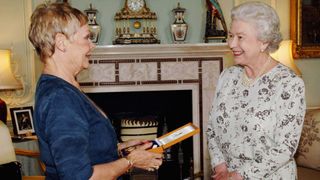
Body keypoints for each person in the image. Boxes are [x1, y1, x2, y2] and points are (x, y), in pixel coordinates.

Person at [28, 2, 162, 179]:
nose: (92, 45)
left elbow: (81, 150)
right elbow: (79, 176)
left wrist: (119, 149)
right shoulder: (60, 98)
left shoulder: (64, 88)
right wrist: (131, 161)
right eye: (86, 38)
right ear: (61, 42)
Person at [206, 2, 306, 180]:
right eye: (230, 35)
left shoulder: (289, 83)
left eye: (240, 37)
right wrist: (220, 166)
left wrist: (240, 175)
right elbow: (212, 128)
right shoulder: (227, 77)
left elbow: (285, 148)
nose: (231, 44)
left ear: (264, 42)